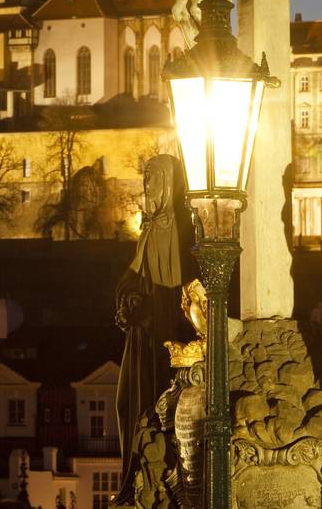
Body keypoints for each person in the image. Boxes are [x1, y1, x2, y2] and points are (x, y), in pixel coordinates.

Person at [115, 153, 195, 499]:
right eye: (146, 179)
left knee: (147, 401)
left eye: (153, 179)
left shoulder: (177, 226)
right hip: (143, 331)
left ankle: (149, 480)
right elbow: (134, 274)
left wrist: (142, 304)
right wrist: (128, 299)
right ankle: (133, 476)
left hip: (162, 334)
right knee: (125, 402)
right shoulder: (152, 226)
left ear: (169, 183)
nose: (147, 187)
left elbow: (176, 283)